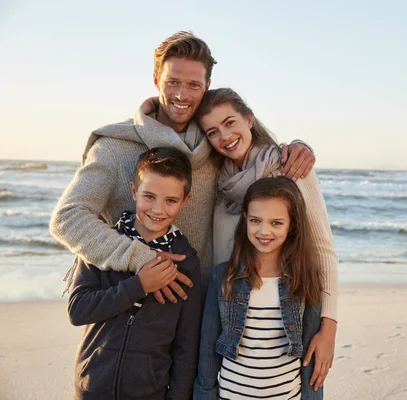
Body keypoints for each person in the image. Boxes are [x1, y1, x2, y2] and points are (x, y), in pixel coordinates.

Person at [50, 31, 315, 304]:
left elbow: (253, 152)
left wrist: (296, 145)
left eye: (193, 85)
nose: (181, 94)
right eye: (172, 82)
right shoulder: (114, 147)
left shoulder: (213, 144)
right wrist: (143, 259)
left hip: (199, 309)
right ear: (156, 81)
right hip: (128, 308)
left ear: (207, 85)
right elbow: (68, 218)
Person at [196, 88, 338, 390]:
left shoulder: (290, 167)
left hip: (286, 304)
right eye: (213, 132)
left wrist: (329, 327)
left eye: (230, 122)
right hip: (228, 314)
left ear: (249, 119)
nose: (224, 136)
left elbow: (323, 250)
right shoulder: (221, 180)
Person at [67, 147, 202, 399]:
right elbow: (78, 310)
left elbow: (187, 346)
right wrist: (138, 285)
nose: (158, 209)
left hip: (149, 391)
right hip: (93, 385)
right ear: (133, 191)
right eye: (149, 196)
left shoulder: (187, 263)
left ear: (185, 201)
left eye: (170, 200)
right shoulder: (103, 243)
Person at [194, 176, 327, 399]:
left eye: (276, 223)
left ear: (292, 225)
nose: (264, 231)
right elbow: (208, 346)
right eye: (255, 220)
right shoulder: (223, 276)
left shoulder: (306, 278)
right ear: (245, 219)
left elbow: (309, 356)